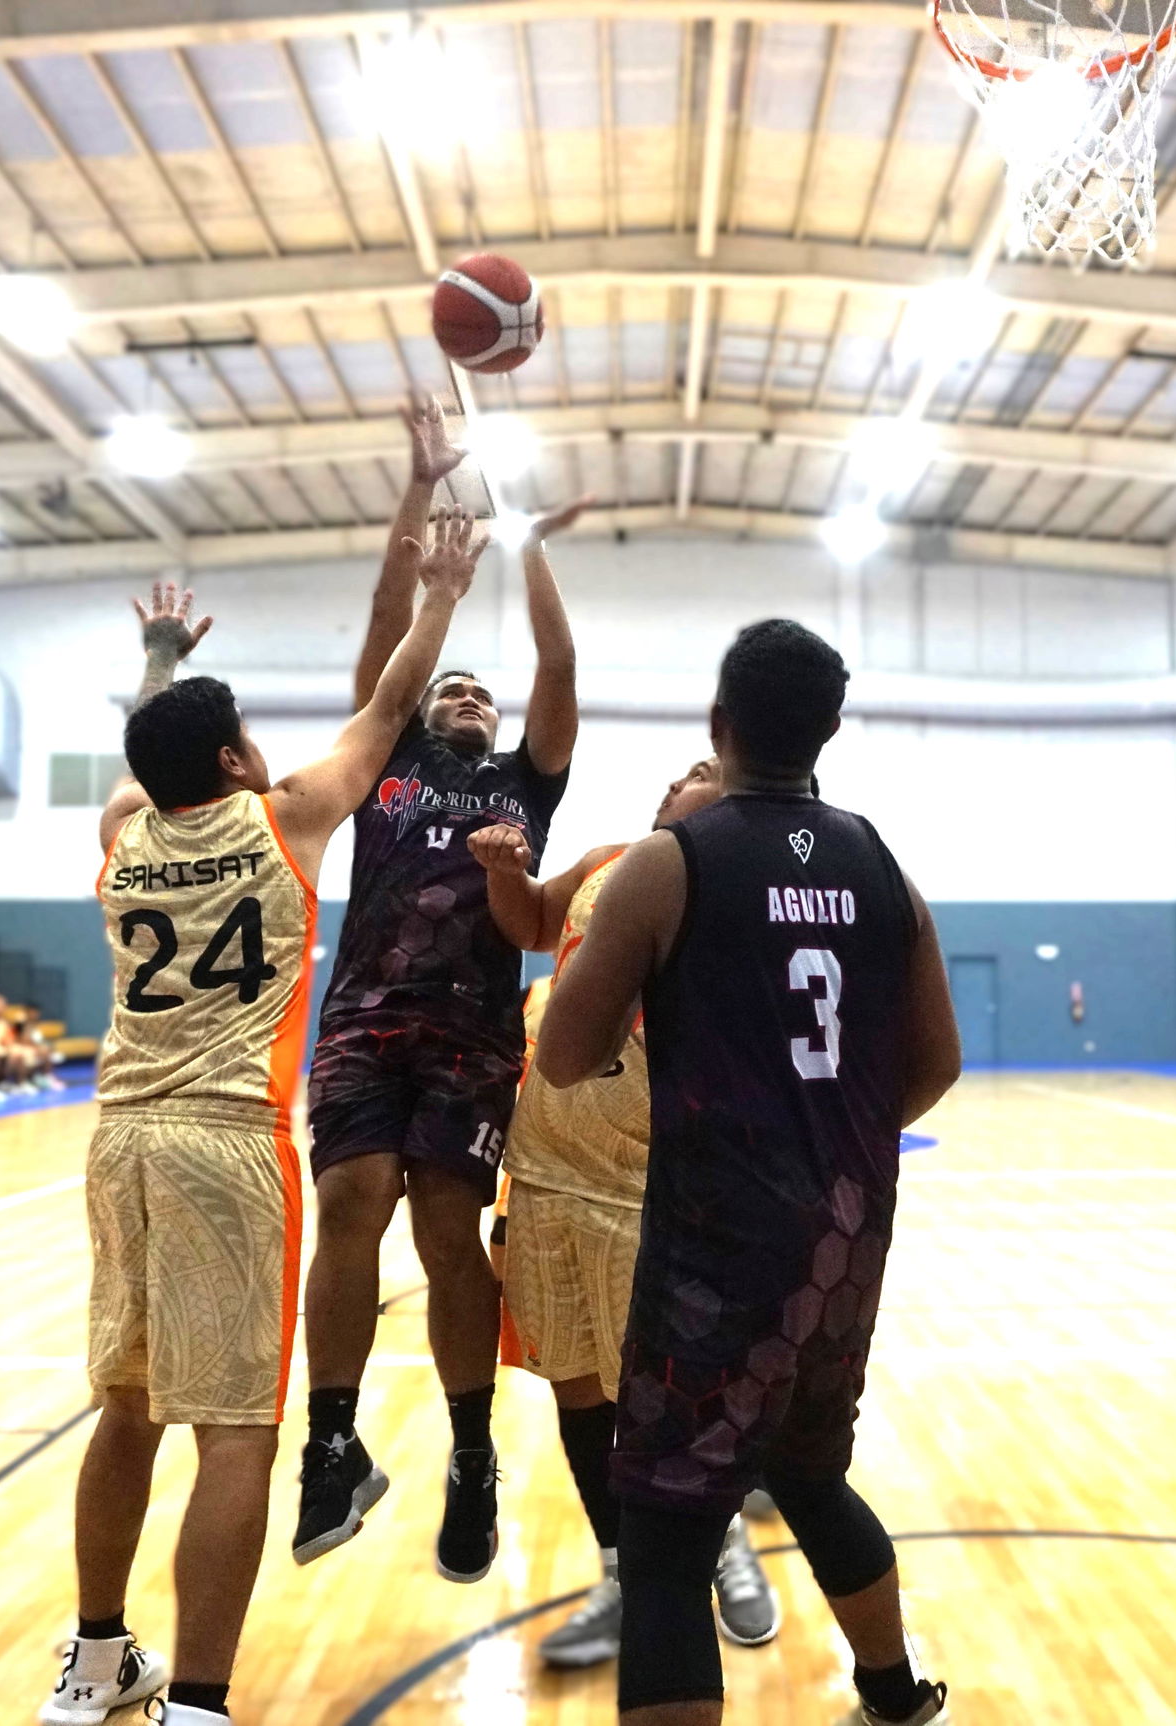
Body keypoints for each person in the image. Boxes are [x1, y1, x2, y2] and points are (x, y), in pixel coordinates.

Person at [39, 519, 482, 1726]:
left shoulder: (121, 837)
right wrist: (439, 595)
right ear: (236, 760)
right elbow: (390, 708)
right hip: (228, 1141)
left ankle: (93, 1660)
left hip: (118, 1135)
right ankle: (196, 1700)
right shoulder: (284, 819)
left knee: (126, 1405)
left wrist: (160, 661)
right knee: (236, 1430)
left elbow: (145, 759)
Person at [538, 620, 960, 1726]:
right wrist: (843, 1141)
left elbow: (560, 1054)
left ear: (718, 727)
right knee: (811, 1475)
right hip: (845, 1234)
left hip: (717, 1243)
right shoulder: (880, 860)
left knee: (667, 1532)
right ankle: (894, 1692)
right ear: (827, 729)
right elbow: (938, 1062)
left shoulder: (669, 862)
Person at [294, 395, 588, 1584]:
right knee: (352, 1196)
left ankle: (471, 1460)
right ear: (421, 712)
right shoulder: (387, 760)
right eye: (451, 691)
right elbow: (384, 619)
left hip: (471, 1035)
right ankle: (329, 1441)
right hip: (364, 1018)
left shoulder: (528, 781)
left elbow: (558, 662)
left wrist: (530, 548)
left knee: (443, 1226)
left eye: (482, 694)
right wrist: (419, 494)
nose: (468, 700)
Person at [469, 757, 780, 1670]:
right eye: (685, 768)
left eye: (712, 770)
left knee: (669, 1393)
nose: (688, 769)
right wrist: (501, 874)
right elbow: (528, 919)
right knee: (575, 1386)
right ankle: (618, 1571)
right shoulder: (609, 859)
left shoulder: (743, 897)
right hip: (548, 1173)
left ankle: (725, 1549)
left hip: (655, 1183)